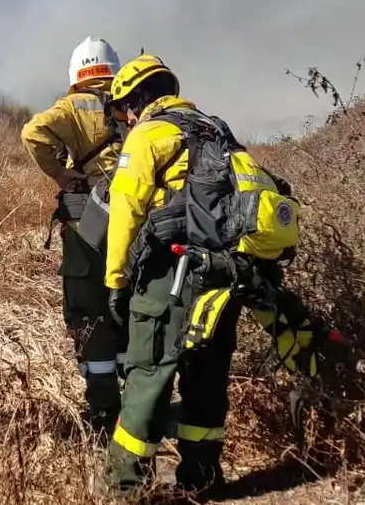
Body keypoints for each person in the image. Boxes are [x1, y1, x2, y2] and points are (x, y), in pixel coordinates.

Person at [100, 54, 324, 495]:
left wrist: (115, 281)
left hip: (173, 272)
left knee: (150, 373)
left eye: (122, 108)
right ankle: (201, 479)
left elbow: (125, 209)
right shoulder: (215, 129)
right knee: (208, 375)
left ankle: (123, 487)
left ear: (136, 99)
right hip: (227, 275)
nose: (123, 119)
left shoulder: (150, 133)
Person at [19, 36, 128, 440]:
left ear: (76, 74)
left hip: (90, 225)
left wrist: (62, 174)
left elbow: (33, 133)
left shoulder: (72, 106)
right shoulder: (132, 102)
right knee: (129, 308)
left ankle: (102, 413)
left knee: (88, 310)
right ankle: (135, 408)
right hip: (137, 223)